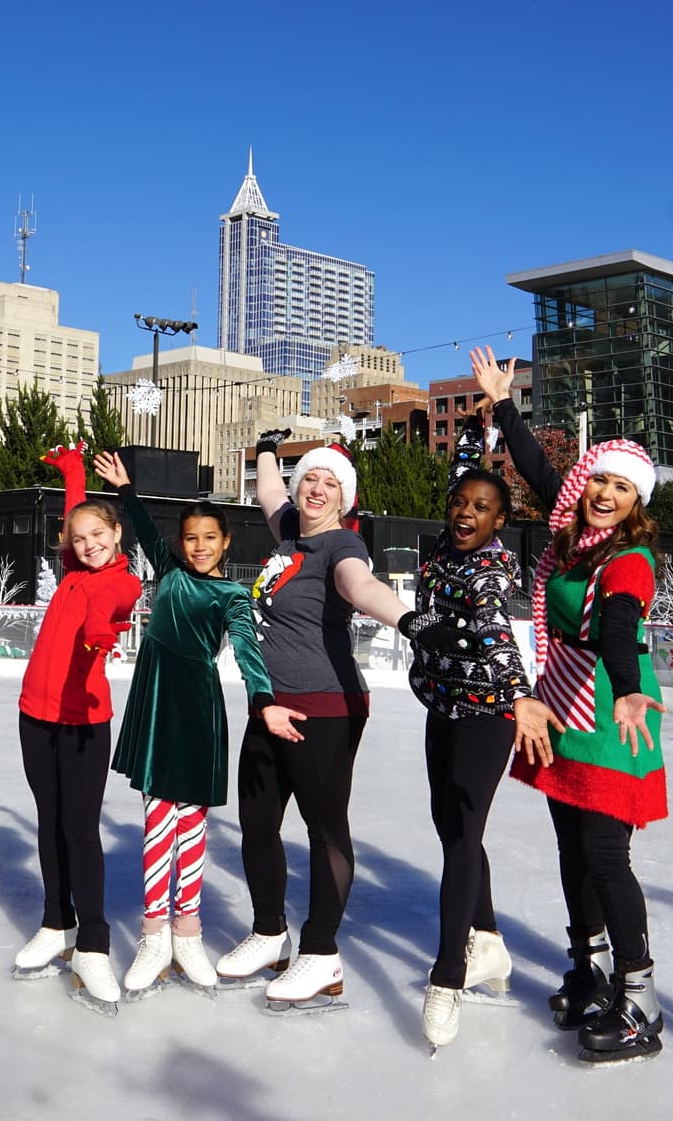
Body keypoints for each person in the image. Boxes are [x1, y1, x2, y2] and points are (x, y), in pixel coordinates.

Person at [471, 347, 668, 1063]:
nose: (605, 493)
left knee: (607, 858)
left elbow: (619, 625)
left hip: (615, 713)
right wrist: (503, 405)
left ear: (637, 500)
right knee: (571, 851)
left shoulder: (629, 559)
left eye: (622, 486)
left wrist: (634, 686)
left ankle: (640, 994)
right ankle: (588, 968)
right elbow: (538, 469)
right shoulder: (575, 539)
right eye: (600, 481)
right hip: (562, 708)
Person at [215, 432, 457, 1012]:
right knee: (256, 823)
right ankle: (271, 933)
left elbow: (361, 586)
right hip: (269, 706)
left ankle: (322, 954)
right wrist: (268, 451)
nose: (316, 489)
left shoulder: (341, 546)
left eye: (330, 483)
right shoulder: (290, 533)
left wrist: (410, 621)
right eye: (310, 481)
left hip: (324, 706)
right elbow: (269, 492)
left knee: (323, 830)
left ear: (345, 499)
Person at [406, 409, 562, 1049]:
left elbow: (497, 631)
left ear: (502, 521)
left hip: (488, 713)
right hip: (441, 704)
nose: (467, 513)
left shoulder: (491, 569)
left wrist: (522, 695)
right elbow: (460, 474)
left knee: (464, 835)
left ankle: (447, 979)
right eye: (460, 505)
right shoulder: (447, 541)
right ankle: (490, 940)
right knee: (450, 829)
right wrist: (475, 432)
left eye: (482, 508)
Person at [95, 450, 273, 998]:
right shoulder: (168, 570)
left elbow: (247, 650)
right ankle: (154, 933)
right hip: (155, 707)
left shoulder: (233, 596)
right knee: (157, 820)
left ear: (227, 543)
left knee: (191, 824)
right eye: (191, 537)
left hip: (197, 713)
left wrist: (263, 698)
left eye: (209, 538)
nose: (199, 546)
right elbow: (146, 528)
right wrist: (127, 493)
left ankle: (188, 930)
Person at [12, 443, 141, 1015]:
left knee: (80, 828)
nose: (88, 544)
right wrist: (73, 472)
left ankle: (93, 940)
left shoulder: (123, 582)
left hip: (84, 720)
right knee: (48, 822)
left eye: (98, 535)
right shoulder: (71, 568)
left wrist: (98, 635)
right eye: (79, 537)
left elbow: (107, 610)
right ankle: (54, 921)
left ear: (117, 536)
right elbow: (74, 517)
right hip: (34, 714)